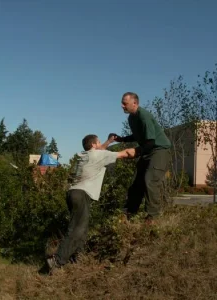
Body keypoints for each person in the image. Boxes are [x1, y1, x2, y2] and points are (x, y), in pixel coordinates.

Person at [46, 134, 136, 273]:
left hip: (72, 193)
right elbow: (125, 153)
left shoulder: (83, 155)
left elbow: (99, 150)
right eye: (99, 142)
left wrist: (109, 141)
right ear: (94, 145)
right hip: (82, 194)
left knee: (82, 228)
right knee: (77, 229)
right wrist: (144, 149)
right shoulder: (99, 155)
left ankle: (77, 259)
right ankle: (57, 260)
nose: (101, 144)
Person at [109, 92, 171, 223]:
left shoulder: (144, 116)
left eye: (124, 103)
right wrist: (122, 139)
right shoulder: (131, 118)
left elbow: (151, 142)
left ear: (134, 103)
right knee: (136, 183)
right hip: (148, 151)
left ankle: (152, 217)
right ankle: (129, 213)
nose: (122, 106)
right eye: (122, 103)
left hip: (159, 150)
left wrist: (136, 151)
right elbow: (138, 136)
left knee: (150, 180)